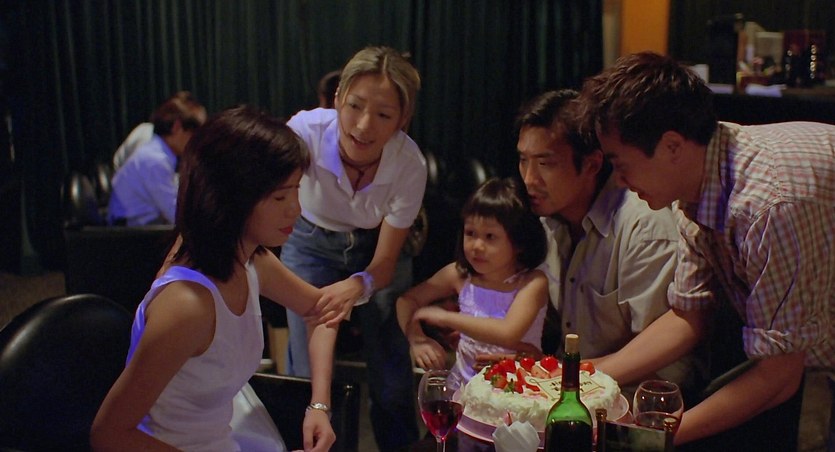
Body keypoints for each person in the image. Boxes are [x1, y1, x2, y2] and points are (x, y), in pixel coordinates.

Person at [576, 51, 834, 450]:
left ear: (672, 146)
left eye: (621, 164)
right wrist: (581, 378)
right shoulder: (698, 178)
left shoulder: (766, 205)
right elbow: (688, 315)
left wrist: (651, 439)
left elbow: (779, 378)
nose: (620, 181)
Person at [91, 106, 336, 451]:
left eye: (296, 190)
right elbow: (109, 434)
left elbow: (321, 311)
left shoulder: (250, 261)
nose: (295, 208)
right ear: (232, 196)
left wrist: (319, 405)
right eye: (280, 196)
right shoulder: (188, 304)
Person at [281, 45, 425, 450]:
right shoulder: (305, 133)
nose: (363, 126)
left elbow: (385, 262)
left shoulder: (408, 164)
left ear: (403, 119)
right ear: (338, 97)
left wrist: (357, 285)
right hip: (309, 241)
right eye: (355, 106)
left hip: (375, 248)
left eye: (383, 115)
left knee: (391, 375)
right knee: (306, 372)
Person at [510, 89, 693, 397]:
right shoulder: (549, 220)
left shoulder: (643, 227)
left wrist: (562, 375)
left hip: (633, 401)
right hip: (571, 388)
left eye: (545, 163)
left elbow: (667, 368)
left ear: (592, 165)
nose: (529, 179)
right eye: (523, 160)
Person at [396, 177, 549, 386]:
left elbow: (508, 333)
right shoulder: (459, 275)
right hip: (463, 388)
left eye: (490, 237)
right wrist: (417, 339)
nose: (477, 245)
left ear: (519, 242)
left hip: (516, 391)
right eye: (470, 233)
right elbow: (406, 301)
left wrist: (447, 318)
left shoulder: (532, 282)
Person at [108, 92, 206, 226]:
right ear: (177, 127)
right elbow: (176, 215)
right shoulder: (154, 160)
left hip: (140, 226)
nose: (195, 141)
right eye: (193, 133)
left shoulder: (157, 152)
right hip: (131, 232)